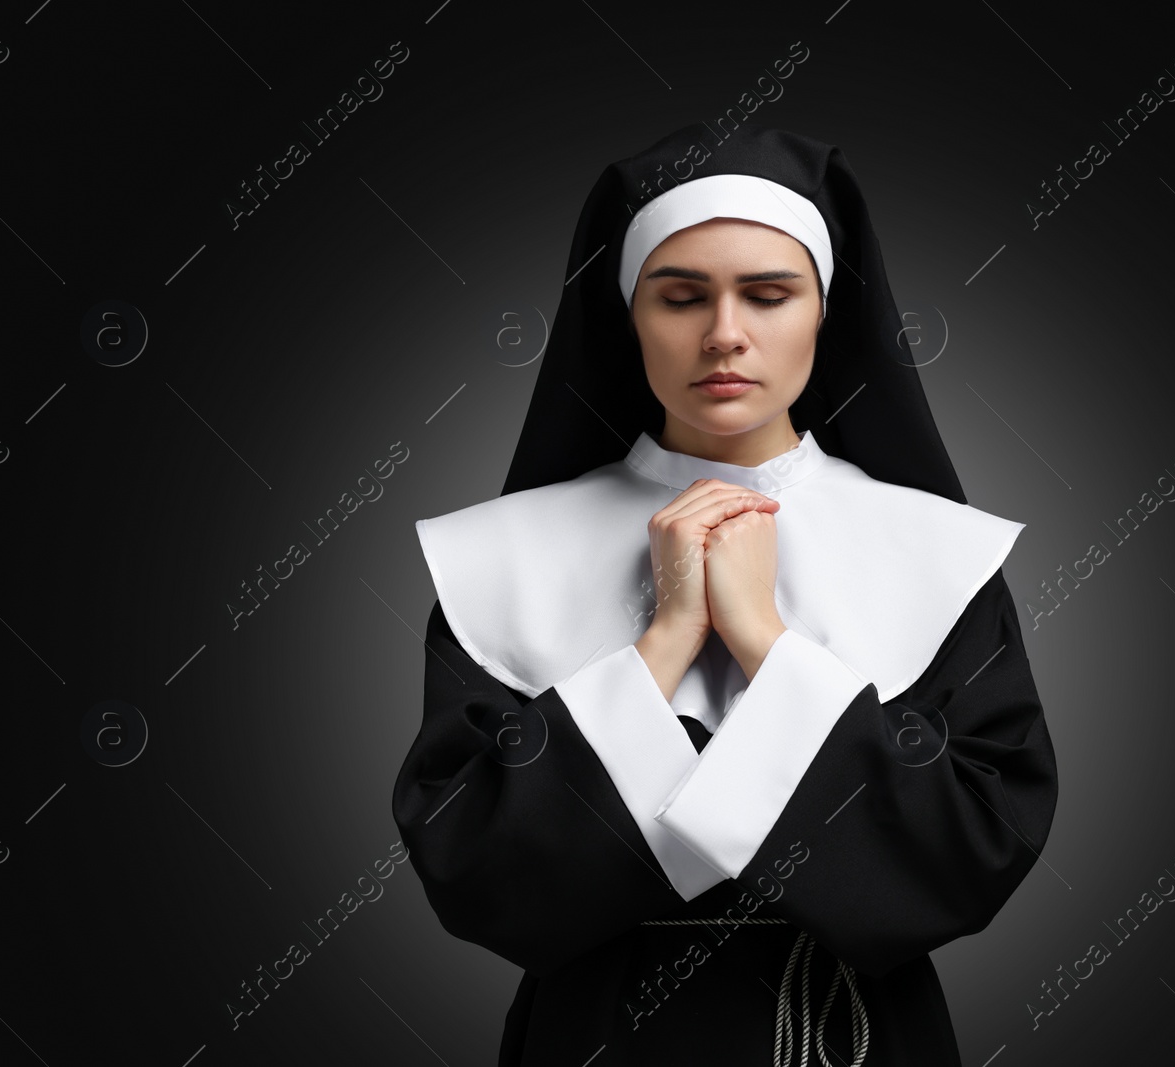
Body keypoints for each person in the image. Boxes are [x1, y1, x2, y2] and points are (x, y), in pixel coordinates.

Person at [392, 122, 1059, 1065]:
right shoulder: (503, 558)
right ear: (630, 316)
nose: (725, 335)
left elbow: (974, 855)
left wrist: (763, 640)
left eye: (769, 293)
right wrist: (665, 639)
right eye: (681, 296)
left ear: (824, 312)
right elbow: (473, 874)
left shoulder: (936, 555)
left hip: (853, 1035)